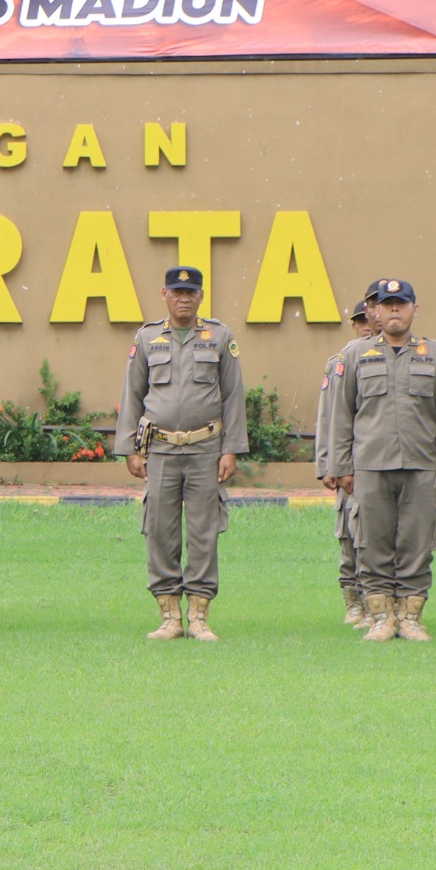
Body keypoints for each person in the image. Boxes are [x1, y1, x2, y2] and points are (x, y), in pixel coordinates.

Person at [323, 278, 436, 643]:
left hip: (421, 465)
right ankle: (382, 617)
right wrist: (340, 466)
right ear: (376, 311)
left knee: (417, 543)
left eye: (402, 303)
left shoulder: (435, 356)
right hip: (370, 465)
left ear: (415, 309)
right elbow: (342, 415)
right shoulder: (355, 356)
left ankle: (411, 617)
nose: (395, 310)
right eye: (387, 305)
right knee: (373, 543)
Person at [120, 264, 246, 641]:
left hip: (206, 448)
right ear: (165, 295)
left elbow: (234, 395)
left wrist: (232, 449)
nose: (184, 298)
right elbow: (132, 395)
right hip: (159, 450)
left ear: (201, 297)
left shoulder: (220, 337)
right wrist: (129, 448)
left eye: (190, 293)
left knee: (204, 531)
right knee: (160, 529)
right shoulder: (147, 339)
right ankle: (170, 616)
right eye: (177, 292)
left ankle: (200, 614)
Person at [319, 298, 375, 627]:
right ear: (353, 325)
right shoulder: (339, 362)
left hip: (381, 462)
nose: (368, 325)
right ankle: (354, 601)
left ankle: (378, 601)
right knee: (349, 535)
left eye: (372, 317)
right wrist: (328, 463)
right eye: (361, 320)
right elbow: (329, 415)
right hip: (350, 464)